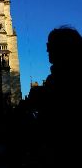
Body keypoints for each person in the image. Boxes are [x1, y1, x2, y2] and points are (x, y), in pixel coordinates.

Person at [38, 26, 82, 167]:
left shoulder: (63, 80)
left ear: (63, 48)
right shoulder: (56, 77)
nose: (46, 50)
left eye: (49, 46)